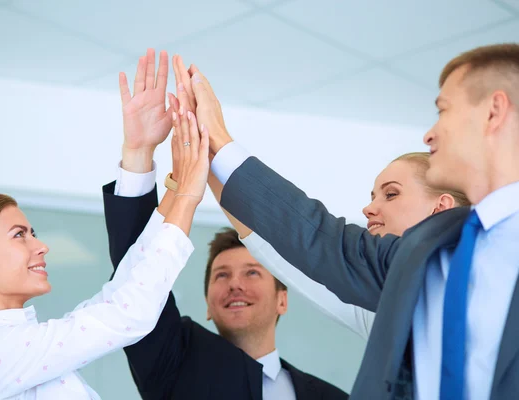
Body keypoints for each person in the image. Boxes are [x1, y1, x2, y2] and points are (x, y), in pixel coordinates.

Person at [186, 43, 519, 400]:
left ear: (493, 112)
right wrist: (215, 146)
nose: (429, 133)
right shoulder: (415, 259)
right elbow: (313, 239)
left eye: (444, 110)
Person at [0, 49, 209, 400]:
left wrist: (150, 160)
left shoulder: (11, 345)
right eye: (19, 235)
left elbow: (121, 293)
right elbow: (127, 314)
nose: (40, 246)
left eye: (33, 233)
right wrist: (189, 196)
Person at [100, 51, 348, 400]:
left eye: (251, 273)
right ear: (207, 303)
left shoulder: (334, 398)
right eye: (221, 275)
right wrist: (139, 153)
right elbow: (137, 277)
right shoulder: (173, 358)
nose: (235, 285)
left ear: (283, 300)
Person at [208, 152, 469, 340]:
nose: (368, 209)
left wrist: (220, 146)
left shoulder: (482, 281)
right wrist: (205, 160)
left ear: (441, 207)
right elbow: (274, 248)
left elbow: (315, 238)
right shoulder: (379, 305)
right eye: (372, 197)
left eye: (391, 194)